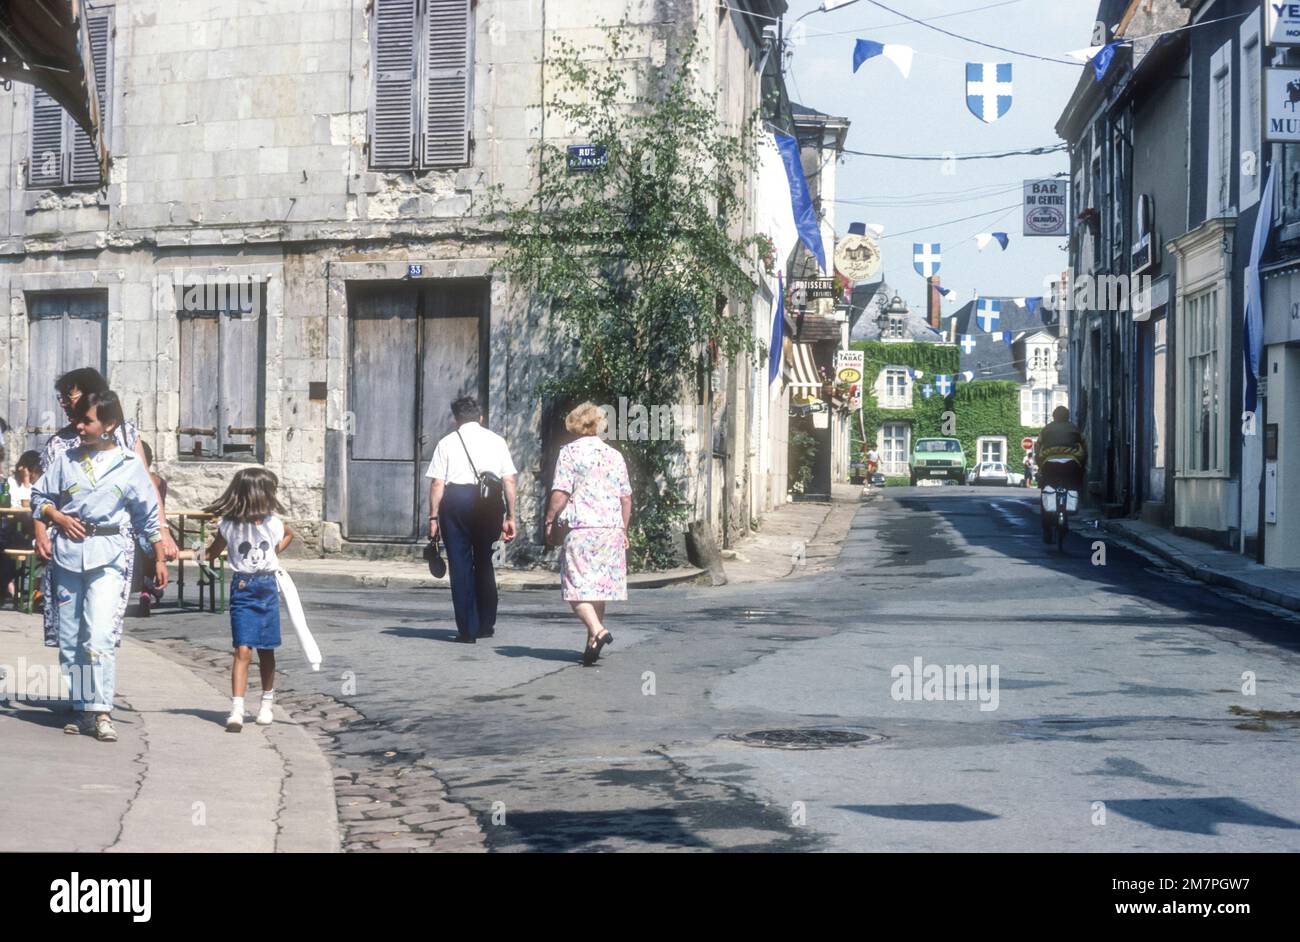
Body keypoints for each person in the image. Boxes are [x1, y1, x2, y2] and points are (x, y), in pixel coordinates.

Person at [30, 391, 167, 742]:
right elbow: (39, 497)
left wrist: (160, 556)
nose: (79, 426)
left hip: (109, 556)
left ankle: (101, 710)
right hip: (68, 556)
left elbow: (147, 516)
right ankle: (81, 706)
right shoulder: (66, 459)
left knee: (100, 634)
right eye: (78, 419)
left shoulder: (128, 465)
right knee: (71, 638)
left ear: (109, 425)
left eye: (86, 420)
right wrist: (56, 516)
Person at [33, 368, 178, 647]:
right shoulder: (59, 445)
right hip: (68, 545)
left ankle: (97, 688)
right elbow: (43, 494)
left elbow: (146, 489)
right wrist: (42, 532)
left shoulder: (125, 432)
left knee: (102, 629)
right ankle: (82, 688)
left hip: (112, 544)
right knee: (70, 632)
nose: (63, 403)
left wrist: (163, 532)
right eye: (60, 397)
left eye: (69, 395)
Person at [202, 467, 294, 732]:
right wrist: (178, 555)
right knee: (242, 649)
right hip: (242, 588)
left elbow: (288, 534)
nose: (273, 497)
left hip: (267, 587)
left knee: (267, 649)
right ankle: (237, 709)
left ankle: (267, 702)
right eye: (271, 492)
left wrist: (273, 554)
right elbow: (211, 553)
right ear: (256, 494)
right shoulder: (228, 525)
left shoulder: (274, 524)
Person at [544, 402, 632, 667]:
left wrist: (549, 519)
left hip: (582, 528)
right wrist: (624, 530)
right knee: (599, 587)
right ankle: (592, 643)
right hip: (611, 529)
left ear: (574, 424)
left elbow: (561, 492)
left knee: (575, 588)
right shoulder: (614, 455)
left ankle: (598, 630)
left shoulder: (569, 453)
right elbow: (626, 498)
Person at [426, 396, 518, 643]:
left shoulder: (446, 443)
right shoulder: (497, 441)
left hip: (457, 501)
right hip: (489, 503)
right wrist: (510, 516)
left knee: (460, 565)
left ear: (456, 419)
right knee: (484, 561)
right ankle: (486, 624)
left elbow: (437, 483)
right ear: (480, 417)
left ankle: (468, 629)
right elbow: (509, 480)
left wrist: (433, 518)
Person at [1034, 406, 1087, 542]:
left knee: (1046, 491)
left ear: (1053, 416)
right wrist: (1082, 467)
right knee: (1072, 486)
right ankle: (1071, 507)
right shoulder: (1075, 429)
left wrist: (1040, 466)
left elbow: (1038, 447)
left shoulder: (1046, 429)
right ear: (1068, 416)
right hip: (1071, 463)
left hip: (1050, 464)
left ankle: (1047, 530)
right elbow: (1084, 448)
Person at [133, 441, 169, 616]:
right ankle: (149, 588)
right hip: (157, 533)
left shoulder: (134, 480)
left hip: (140, 532)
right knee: (151, 546)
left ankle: (147, 588)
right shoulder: (159, 481)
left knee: (143, 544)